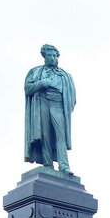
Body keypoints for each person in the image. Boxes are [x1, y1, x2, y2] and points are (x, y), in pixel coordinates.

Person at [24, 44, 76, 176]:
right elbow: (28, 88)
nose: (52, 58)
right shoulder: (35, 72)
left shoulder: (65, 75)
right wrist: (43, 83)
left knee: (60, 135)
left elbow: (72, 97)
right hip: (42, 102)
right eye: (49, 55)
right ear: (44, 57)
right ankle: (48, 163)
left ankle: (64, 166)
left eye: (54, 55)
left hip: (58, 104)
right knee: (45, 134)